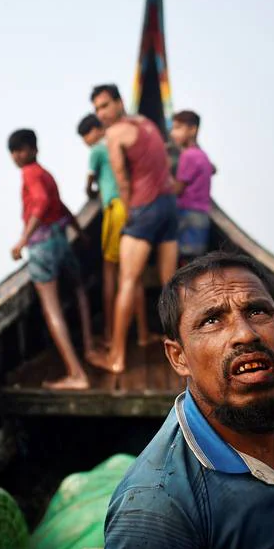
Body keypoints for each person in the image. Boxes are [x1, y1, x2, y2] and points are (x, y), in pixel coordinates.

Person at [103, 250, 274, 549]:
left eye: (257, 311)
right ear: (178, 357)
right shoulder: (155, 508)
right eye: (212, 320)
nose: (246, 334)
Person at [84, 84, 176, 376]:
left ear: (119, 102)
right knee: (171, 284)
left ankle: (117, 358)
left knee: (126, 281)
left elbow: (123, 181)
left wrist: (129, 216)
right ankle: (185, 350)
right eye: (97, 108)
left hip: (144, 209)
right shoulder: (146, 123)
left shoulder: (114, 134)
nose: (101, 113)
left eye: (105, 105)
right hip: (169, 207)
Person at [8, 128, 94, 390]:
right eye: (15, 151)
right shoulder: (45, 173)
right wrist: (79, 232)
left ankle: (77, 374)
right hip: (60, 239)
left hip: (42, 246)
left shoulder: (29, 173)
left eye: (20, 150)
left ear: (31, 150)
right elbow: (60, 205)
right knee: (79, 290)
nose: (17, 155)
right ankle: (90, 348)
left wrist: (22, 240)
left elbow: (43, 202)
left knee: (51, 308)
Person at [78, 113, 157, 350]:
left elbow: (91, 182)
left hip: (115, 209)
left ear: (94, 130)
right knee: (135, 275)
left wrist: (92, 191)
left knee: (110, 272)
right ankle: (142, 333)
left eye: (85, 136)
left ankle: (110, 334)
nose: (86, 141)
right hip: (134, 207)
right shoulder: (122, 146)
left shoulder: (98, 150)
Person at [169, 110, 215, 266]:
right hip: (201, 214)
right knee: (194, 262)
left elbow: (178, 188)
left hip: (188, 213)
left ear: (192, 130)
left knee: (184, 262)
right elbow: (213, 169)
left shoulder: (188, 155)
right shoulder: (202, 155)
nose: (173, 133)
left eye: (178, 128)